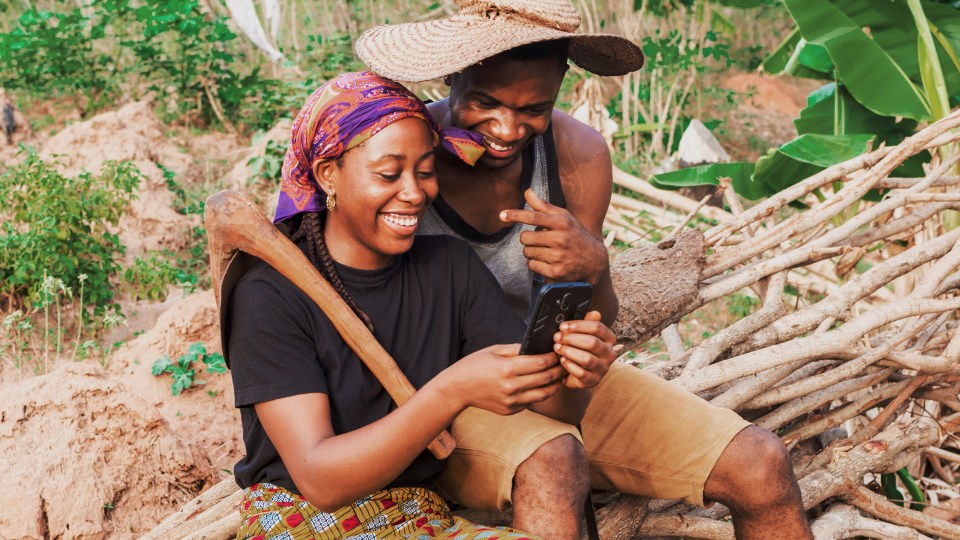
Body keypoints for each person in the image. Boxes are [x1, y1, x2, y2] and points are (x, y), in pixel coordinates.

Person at [355, 2, 815, 539]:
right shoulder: (401, 148)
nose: (507, 127)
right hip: (427, 399)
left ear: (561, 84)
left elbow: (591, 315)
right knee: (551, 463)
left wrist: (594, 267)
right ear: (451, 75)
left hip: (548, 381)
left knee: (759, 463)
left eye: (534, 108)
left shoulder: (576, 155)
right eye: (484, 101)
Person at [222, 71, 618, 539]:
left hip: (415, 512)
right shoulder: (270, 294)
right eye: (389, 174)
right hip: (302, 519)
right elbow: (320, 480)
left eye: (426, 171)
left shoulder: (448, 266)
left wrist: (577, 373)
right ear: (328, 174)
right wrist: (451, 390)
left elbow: (554, 410)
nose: (414, 193)